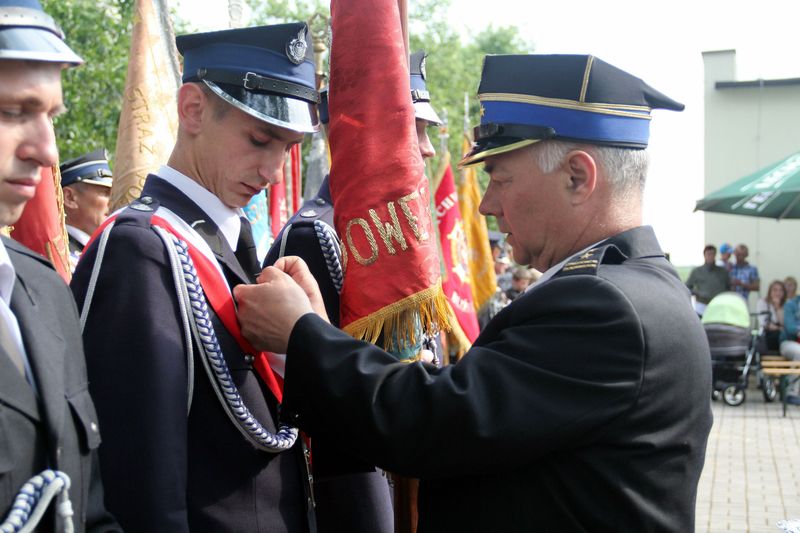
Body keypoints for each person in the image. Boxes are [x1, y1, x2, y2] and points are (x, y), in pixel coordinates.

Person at [234, 54, 713, 531]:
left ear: (578, 177)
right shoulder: (632, 287)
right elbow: (482, 405)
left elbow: (437, 423)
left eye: (500, 177)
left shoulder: (606, 307)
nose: (486, 205)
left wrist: (302, 335)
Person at [70, 24, 319, 532]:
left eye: (288, 147)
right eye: (260, 138)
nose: (273, 169)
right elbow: (138, 478)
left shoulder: (230, 242)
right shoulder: (141, 248)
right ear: (193, 110)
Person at [263, 50, 441, 533]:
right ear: (368, 131)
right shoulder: (316, 233)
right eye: (414, 129)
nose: (426, 148)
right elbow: (323, 398)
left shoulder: (410, 233)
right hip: (359, 484)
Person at [0, 1, 119, 531]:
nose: (48, 151)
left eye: (50, 116)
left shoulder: (45, 291)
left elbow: (90, 512)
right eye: (12, 112)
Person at [60, 148, 112, 271]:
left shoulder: (99, 250)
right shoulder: (62, 258)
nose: (113, 201)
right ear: (69, 198)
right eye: (105, 193)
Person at [685, 244, 730, 316]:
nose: (710, 256)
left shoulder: (723, 272)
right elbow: (687, 287)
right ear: (704, 255)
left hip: (718, 307)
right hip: (702, 307)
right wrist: (698, 293)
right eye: (708, 254)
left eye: (712, 254)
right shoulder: (697, 271)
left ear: (715, 255)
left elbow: (728, 288)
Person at [756, 280, 786, 353]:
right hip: (768, 334)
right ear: (770, 291)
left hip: (782, 335)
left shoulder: (787, 304)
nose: (778, 293)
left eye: (780, 290)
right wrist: (779, 328)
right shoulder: (762, 302)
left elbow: (784, 323)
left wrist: (778, 308)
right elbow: (764, 323)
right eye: (775, 290)